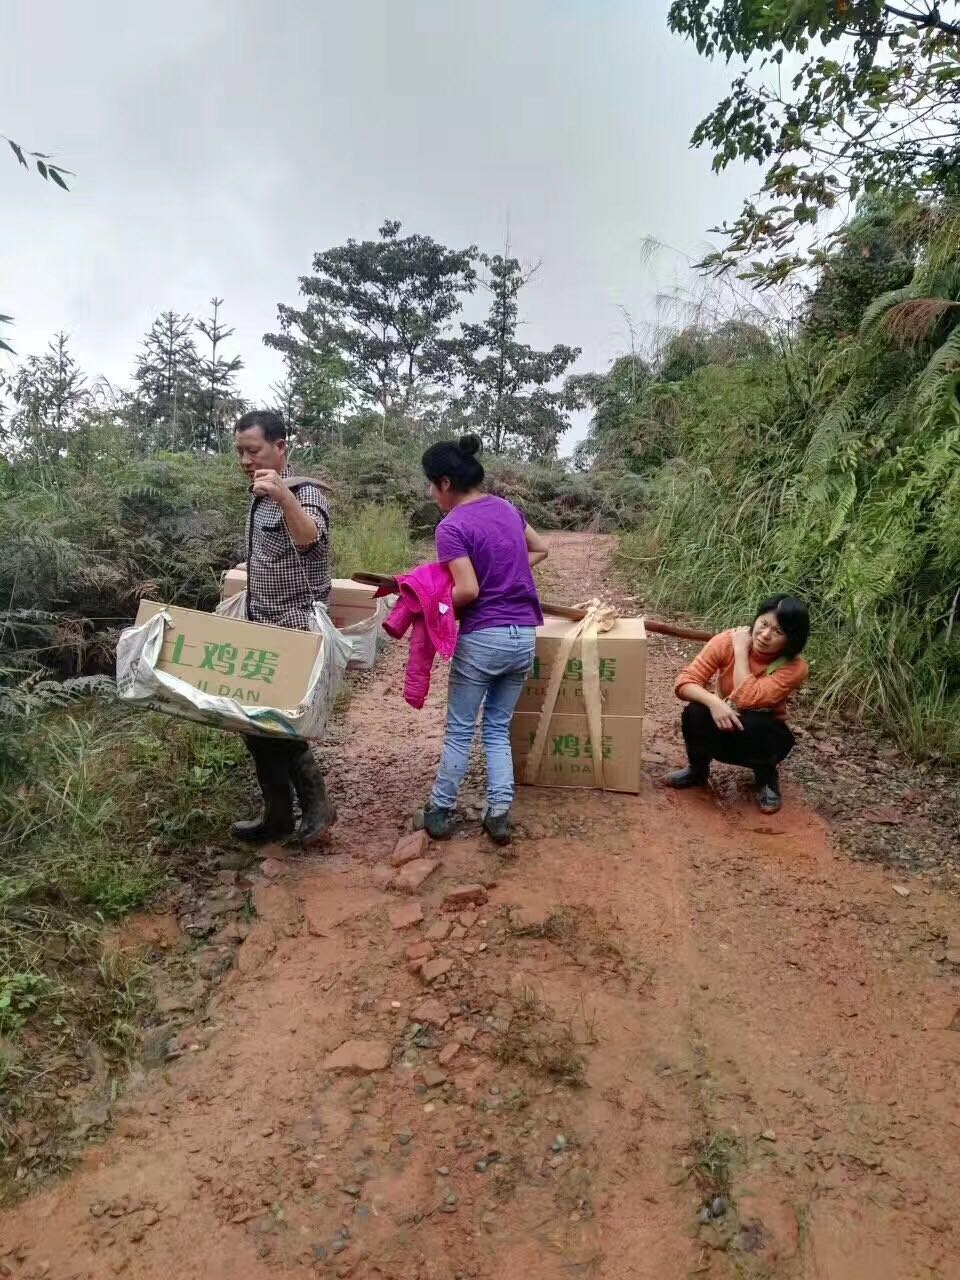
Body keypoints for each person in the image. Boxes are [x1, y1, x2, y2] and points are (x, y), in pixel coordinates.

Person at [419, 434, 549, 846]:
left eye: (429, 484)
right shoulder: (508, 508)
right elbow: (540, 548)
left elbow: (469, 590)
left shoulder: (451, 526)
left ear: (444, 483)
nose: (429, 493)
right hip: (523, 637)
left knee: (460, 730)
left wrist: (433, 603)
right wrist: (510, 573)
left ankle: (440, 810)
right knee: (495, 728)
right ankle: (499, 813)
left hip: (484, 638)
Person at [230, 409, 335, 845]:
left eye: (252, 451)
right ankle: (276, 816)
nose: (245, 460)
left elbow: (310, 537)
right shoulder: (256, 495)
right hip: (261, 624)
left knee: (278, 725)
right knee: (254, 725)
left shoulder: (305, 493)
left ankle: (317, 807)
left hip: (294, 627)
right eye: (239, 452)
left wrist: (284, 498)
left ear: (280, 447)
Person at [664, 595, 810, 814]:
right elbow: (684, 683)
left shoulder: (794, 667)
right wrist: (714, 702)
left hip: (763, 738)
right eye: (763, 624)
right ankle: (697, 771)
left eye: (778, 632)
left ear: (792, 640)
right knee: (696, 711)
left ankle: (767, 780)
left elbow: (747, 698)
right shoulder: (725, 640)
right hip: (725, 726)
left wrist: (741, 651)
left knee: (756, 722)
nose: (765, 635)